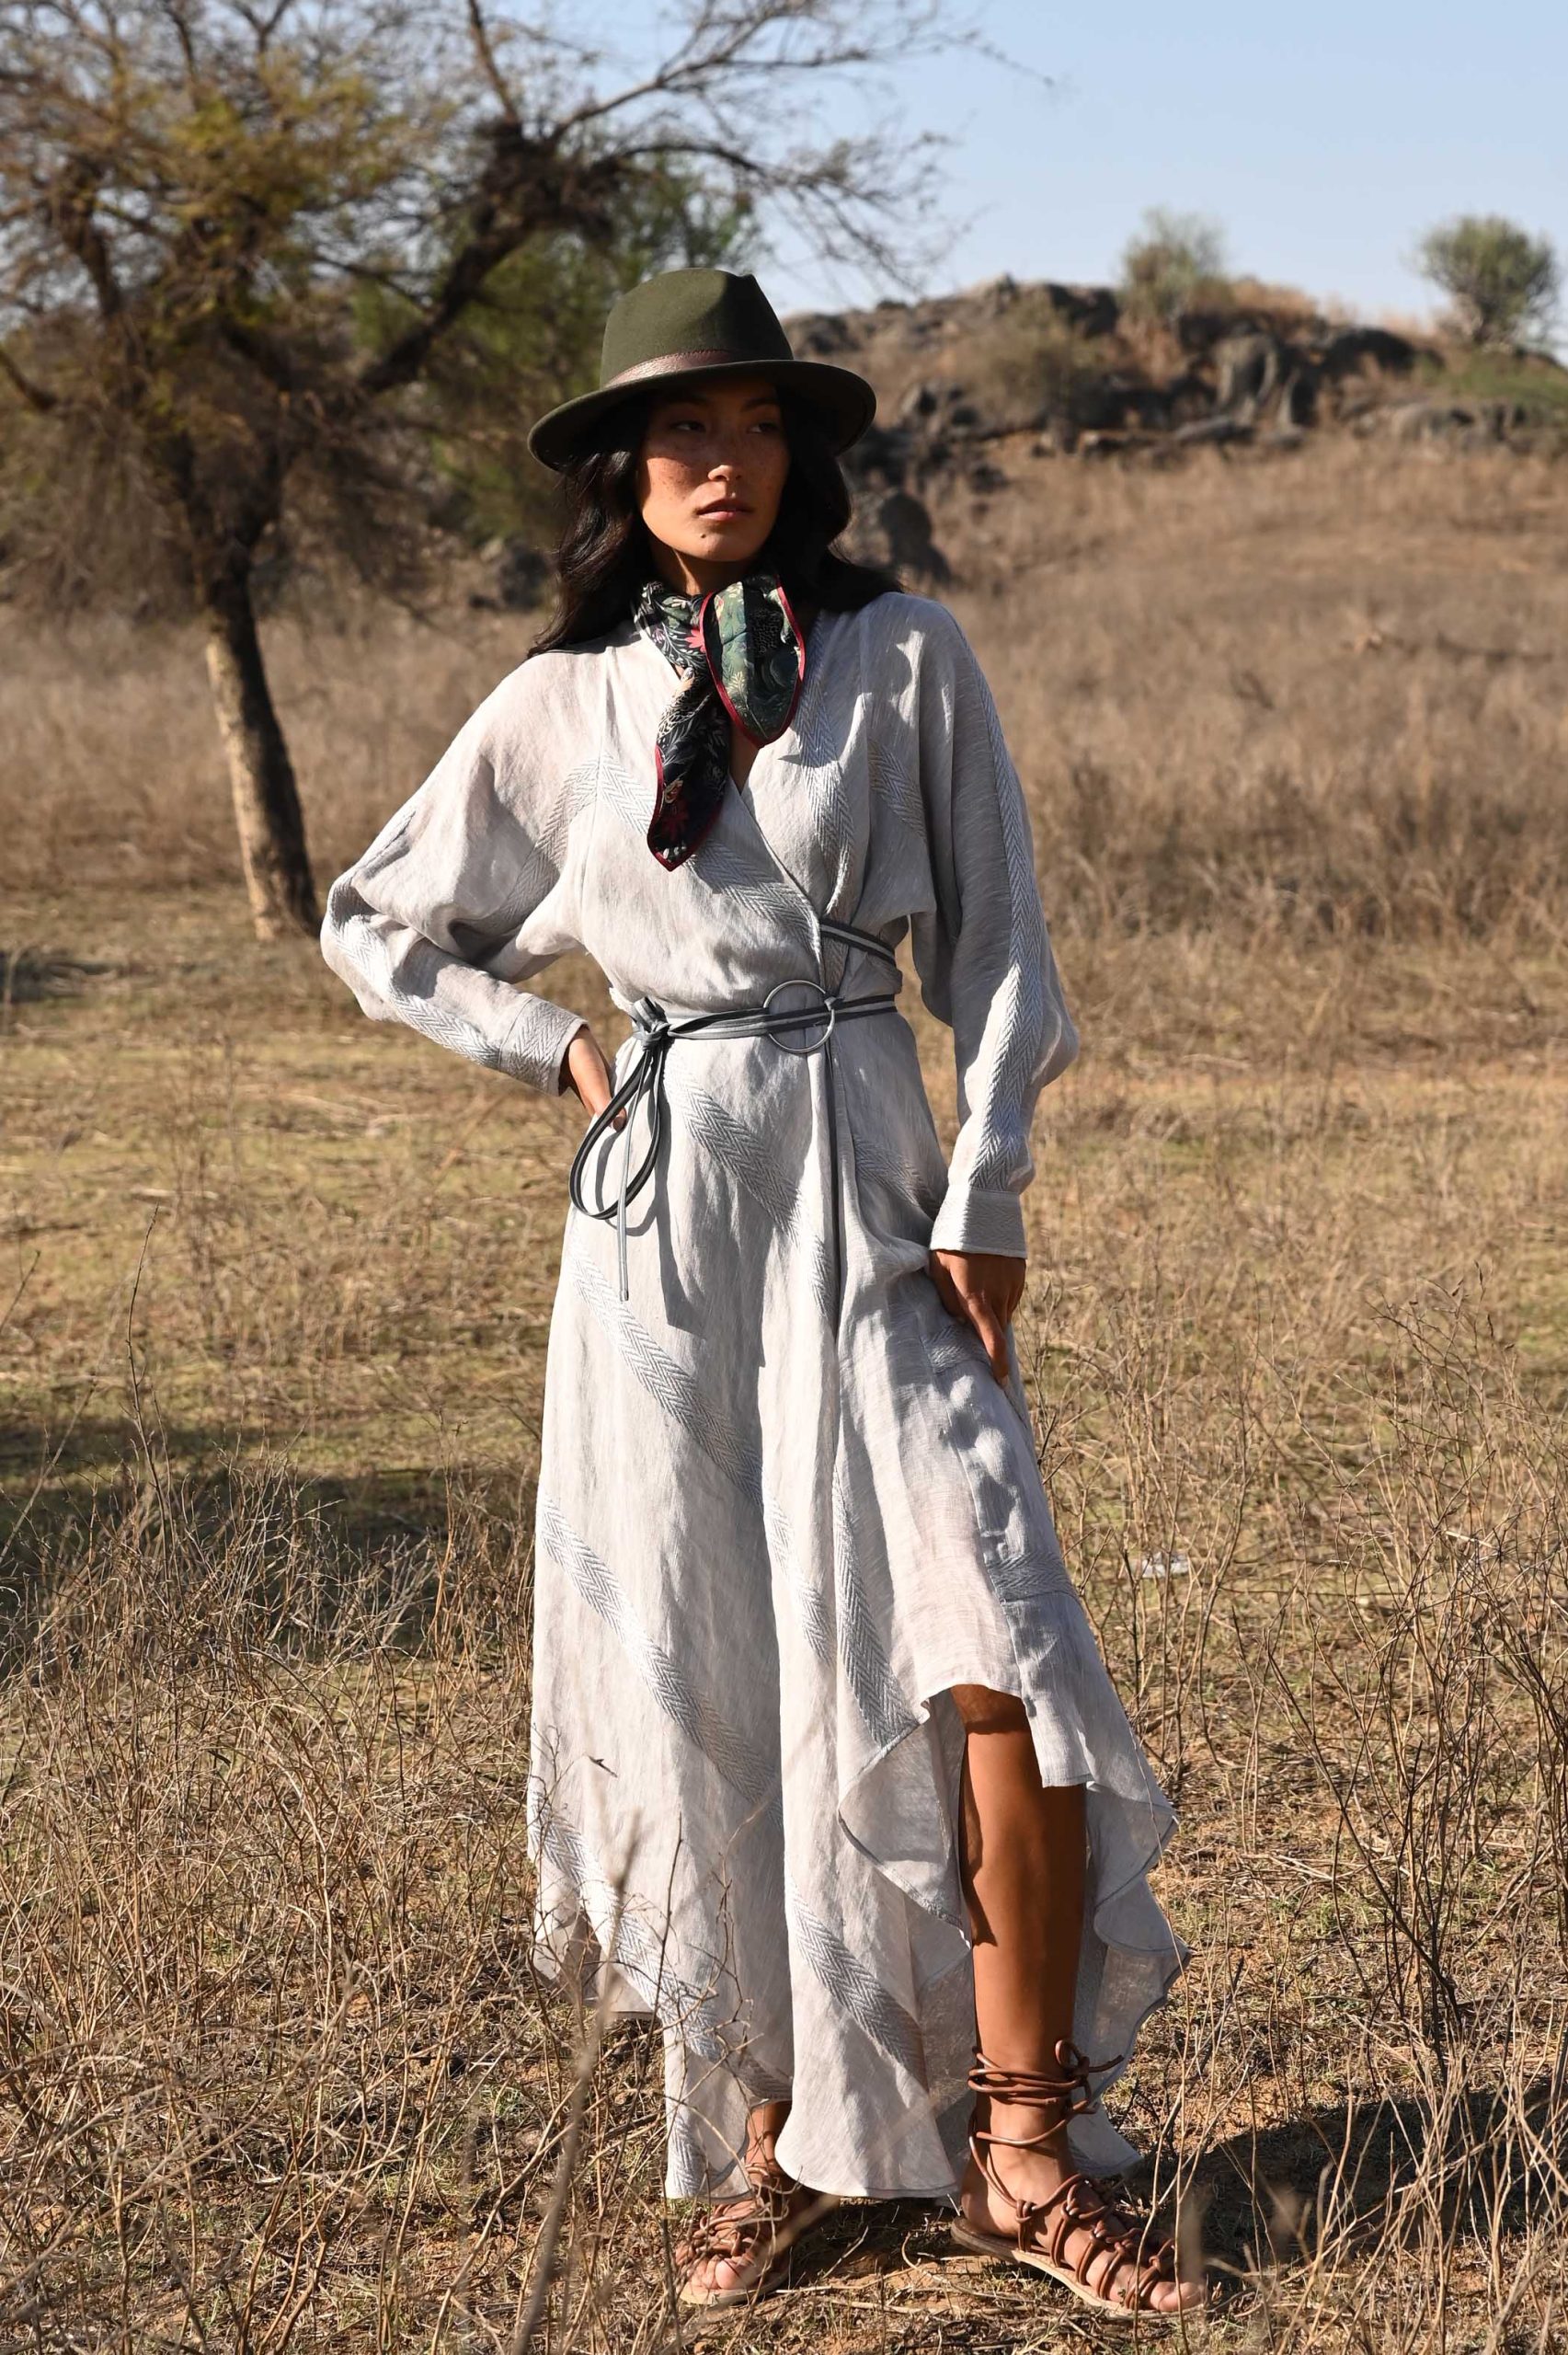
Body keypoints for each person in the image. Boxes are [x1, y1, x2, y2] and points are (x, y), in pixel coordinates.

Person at [320, 268, 1206, 2319]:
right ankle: (772, 2138)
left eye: (750, 425)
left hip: (873, 1185)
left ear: (796, 452)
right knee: (711, 1650)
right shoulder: (556, 706)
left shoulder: (900, 658)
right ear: (624, 475)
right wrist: (540, 1041)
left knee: (993, 1641)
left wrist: (988, 1185)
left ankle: (1018, 2139)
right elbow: (377, 918)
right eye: (676, 433)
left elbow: (997, 951)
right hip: (662, 1226)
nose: (716, 463)